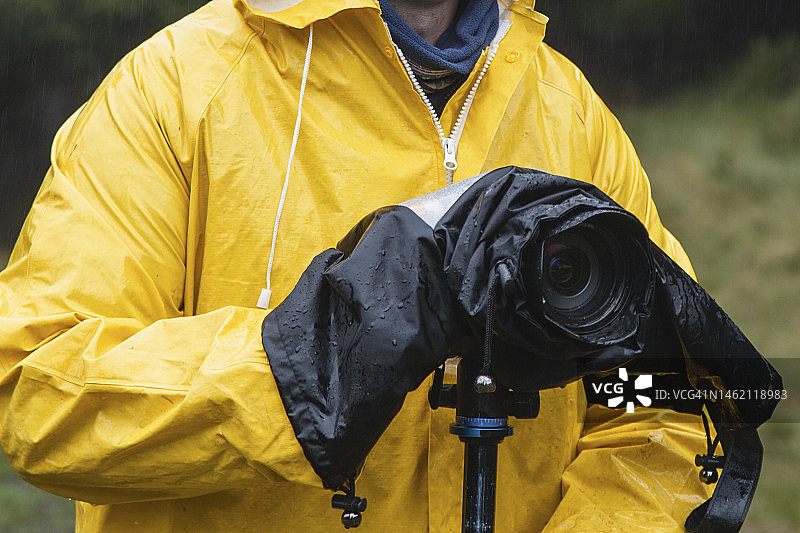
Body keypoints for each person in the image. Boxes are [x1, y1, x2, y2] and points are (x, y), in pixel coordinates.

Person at [0, 0, 713, 530]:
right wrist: (314, 362)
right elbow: (41, 395)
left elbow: (664, 403)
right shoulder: (177, 89)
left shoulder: (572, 117)